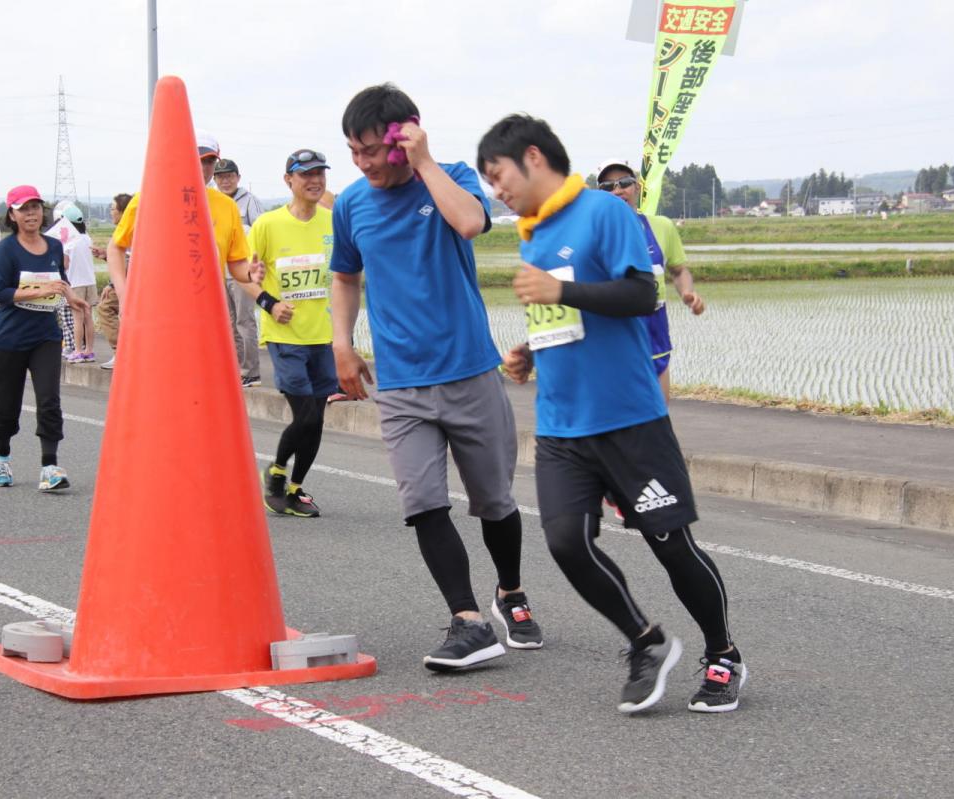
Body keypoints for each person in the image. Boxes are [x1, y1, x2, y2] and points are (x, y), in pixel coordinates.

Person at [478, 113, 746, 713]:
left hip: (629, 419)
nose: (497, 191)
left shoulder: (605, 213)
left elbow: (638, 294)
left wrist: (559, 292)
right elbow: (565, 318)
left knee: (670, 544)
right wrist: (531, 352)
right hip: (562, 427)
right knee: (566, 542)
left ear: (534, 157)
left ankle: (723, 654)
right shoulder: (533, 234)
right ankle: (645, 641)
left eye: (498, 176)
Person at [330, 84, 542, 671]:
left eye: (373, 150)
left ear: (406, 137)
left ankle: (510, 592)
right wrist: (342, 344)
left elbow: (472, 223)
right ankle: (467, 619)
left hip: (470, 371)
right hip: (399, 383)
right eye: (354, 151)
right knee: (422, 503)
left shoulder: (449, 176)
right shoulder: (351, 204)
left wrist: (423, 162)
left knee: (494, 501)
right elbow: (345, 276)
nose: (363, 163)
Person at [246, 149, 338, 518]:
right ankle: (276, 474)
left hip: (323, 336)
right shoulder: (268, 225)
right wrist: (269, 303)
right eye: (306, 175)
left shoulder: (333, 222)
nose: (315, 181)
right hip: (285, 338)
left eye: (320, 174)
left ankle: (296, 487)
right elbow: (246, 277)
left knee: (317, 418)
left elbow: (348, 275)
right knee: (307, 417)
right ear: (289, 180)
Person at [0, 185, 91, 490]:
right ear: (12, 215)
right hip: (9, 338)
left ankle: (49, 466)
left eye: (35, 207)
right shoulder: (6, 249)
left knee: (49, 400)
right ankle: (1, 456)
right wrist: (40, 291)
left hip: (45, 335)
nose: (31, 214)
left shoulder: (54, 246)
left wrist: (71, 297)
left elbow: (60, 279)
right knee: (7, 404)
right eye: (23, 209)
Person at [106, 134, 259, 341]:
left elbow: (236, 263)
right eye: (196, 160)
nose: (204, 168)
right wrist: (124, 296)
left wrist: (250, 274)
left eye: (209, 161)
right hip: (157, 313)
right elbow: (116, 247)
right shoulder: (148, 198)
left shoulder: (226, 206)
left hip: (207, 315)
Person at [595, 159, 705, 404]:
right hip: (613, 334)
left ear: (637, 187)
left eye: (624, 183)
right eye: (607, 186)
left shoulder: (662, 227)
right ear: (599, 194)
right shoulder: (593, 232)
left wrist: (688, 293)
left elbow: (678, 270)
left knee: (659, 415)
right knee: (618, 418)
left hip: (654, 330)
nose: (617, 190)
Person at [215, 157, 266, 388]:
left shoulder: (249, 202)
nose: (225, 181)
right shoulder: (214, 202)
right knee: (229, 321)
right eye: (221, 177)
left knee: (245, 321)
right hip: (220, 269)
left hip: (243, 269)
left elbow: (261, 232)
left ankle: (251, 372)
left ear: (238, 177)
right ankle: (235, 369)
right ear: (215, 180)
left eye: (229, 176)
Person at [95, 193, 131, 369]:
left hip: (128, 284)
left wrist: (111, 285)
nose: (111, 212)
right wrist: (104, 255)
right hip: (127, 282)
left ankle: (122, 352)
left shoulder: (127, 231)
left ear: (123, 212)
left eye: (113, 209)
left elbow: (130, 261)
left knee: (105, 308)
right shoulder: (125, 230)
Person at [59, 205, 98, 363]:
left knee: (77, 318)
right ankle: (89, 351)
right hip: (90, 282)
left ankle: (77, 351)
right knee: (88, 317)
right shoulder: (87, 238)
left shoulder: (68, 242)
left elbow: (65, 265)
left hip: (75, 283)